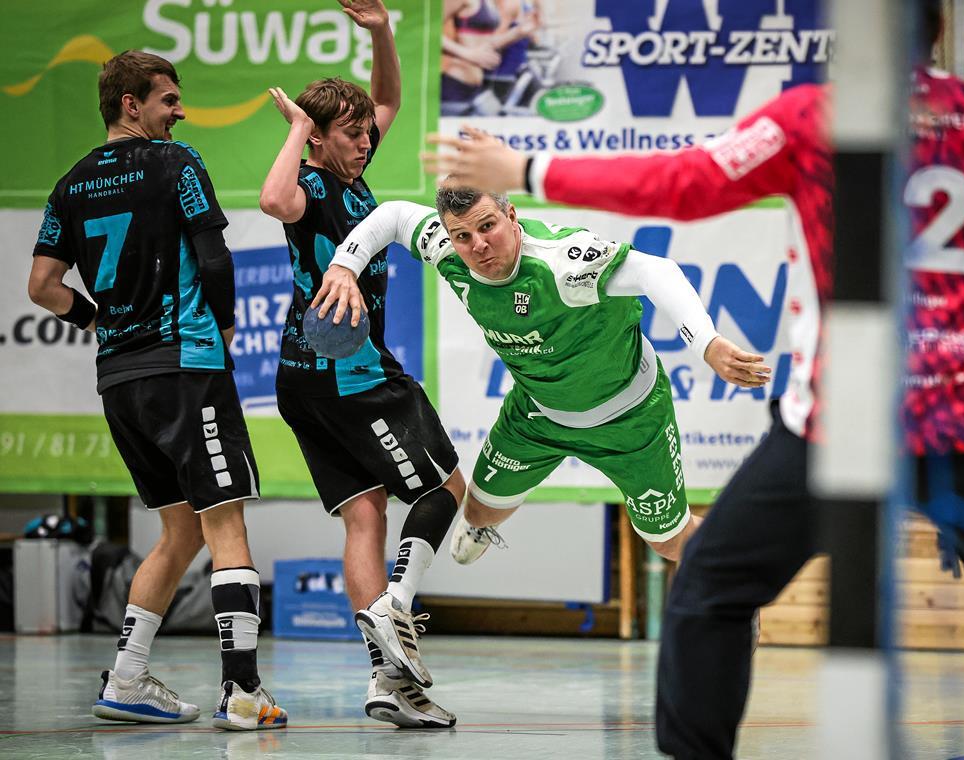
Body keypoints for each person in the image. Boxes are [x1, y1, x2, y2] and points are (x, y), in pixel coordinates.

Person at [421, 4, 964, 759]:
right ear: (936, 31)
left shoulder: (814, 119)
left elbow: (682, 182)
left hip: (839, 428)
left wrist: (530, 170)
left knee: (707, 594)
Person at [311, 187, 770, 575]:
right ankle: (482, 522)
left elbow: (657, 271)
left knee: (667, 541)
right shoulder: (451, 249)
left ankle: (732, 583)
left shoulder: (565, 263)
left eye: (488, 226)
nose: (478, 245)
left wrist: (706, 343)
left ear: (512, 216)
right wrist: (343, 265)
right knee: (477, 508)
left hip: (629, 417)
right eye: (463, 236)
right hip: (538, 414)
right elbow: (393, 215)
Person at [27, 50, 286, 731]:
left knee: (180, 530)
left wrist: (98, 319)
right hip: (185, 367)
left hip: (119, 380)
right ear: (130, 104)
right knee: (224, 519)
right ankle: (243, 693)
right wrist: (225, 332)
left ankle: (128, 677)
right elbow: (213, 256)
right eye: (168, 99)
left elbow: (42, 287)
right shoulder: (177, 163)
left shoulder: (69, 184)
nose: (180, 110)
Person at [258, 0, 461, 728]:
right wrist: (296, 132)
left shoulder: (350, 173)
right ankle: (398, 611)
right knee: (445, 488)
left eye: (366, 133)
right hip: (348, 374)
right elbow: (272, 197)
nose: (368, 141)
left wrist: (380, 32)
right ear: (318, 138)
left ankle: (385, 682)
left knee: (366, 519)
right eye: (351, 135)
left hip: (301, 379)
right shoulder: (313, 184)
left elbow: (387, 100)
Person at [441, 0, 537, 116]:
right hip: (454, 85)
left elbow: (485, 45)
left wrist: (519, 32)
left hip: (476, 87)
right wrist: (467, 54)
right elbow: (426, 32)